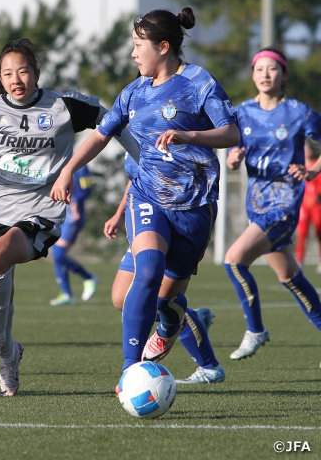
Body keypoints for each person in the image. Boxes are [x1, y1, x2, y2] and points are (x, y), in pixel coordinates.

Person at [51, 7, 239, 374]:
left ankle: (173, 321)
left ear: (163, 46)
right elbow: (100, 136)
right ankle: (130, 370)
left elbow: (231, 133)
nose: (134, 53)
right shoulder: (133, 92)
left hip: (195, 206)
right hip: (148, 195)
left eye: (139, 45)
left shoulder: (199, 82)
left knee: (165, 296)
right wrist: (68, 171)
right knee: (147, 271)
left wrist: (189, 134)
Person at [0, 38, 138, 396]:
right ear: (0, 78)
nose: (16, 78)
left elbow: (114, 122)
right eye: (8, 73)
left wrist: (145, 163)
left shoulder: (63, 105)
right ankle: (9, 354)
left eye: (23, 71)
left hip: (42, 209)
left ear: (36, 74)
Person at [225, 47, 321, 361]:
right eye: (259, 69)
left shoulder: (298, 112)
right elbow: (232, 158)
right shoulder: (241, 113)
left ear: (284, 74)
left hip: (284, 206)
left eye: (272, 69)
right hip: (257, 206)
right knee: (290, 277)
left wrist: (310, 171)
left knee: (234, 261)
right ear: (252, 74)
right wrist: (233, 159)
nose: (265, 74)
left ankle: (255, 329)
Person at [104, 152, 225, 383]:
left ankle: (209, 366)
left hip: (181, 219)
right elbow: (136, 179)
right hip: (147, 219)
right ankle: (190, 318)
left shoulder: (174, 127)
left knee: (162, 299)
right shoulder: (135, 130)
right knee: (121, 297)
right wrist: (119, 214)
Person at [49, 164, 99, 306]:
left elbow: (86, 188)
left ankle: (88, 277)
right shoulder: (54, 159)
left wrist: (75, 201)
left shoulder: (80, 165)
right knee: (56, 254)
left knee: (59, 254)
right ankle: (66, 294)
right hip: (56, 214)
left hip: (72, 216)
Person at [295, 141, 321, 272]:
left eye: (308, 148)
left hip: (317, 205)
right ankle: (299, 261)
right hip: (304, 205)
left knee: (319, 233)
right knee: (302, 233)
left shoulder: (317, 165)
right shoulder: (297, 166)